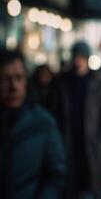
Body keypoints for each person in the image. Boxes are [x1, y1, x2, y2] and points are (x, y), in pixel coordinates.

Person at [48, 41, 101, 198]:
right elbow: (52, 112)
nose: (77, 60)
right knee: (69, 189)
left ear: (87, 58)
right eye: (75, 56)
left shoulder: (100, 83)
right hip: (67, 144)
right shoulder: (61, 82)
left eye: (81, 57)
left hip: (93, 147)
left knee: (93, 188)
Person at [0, 49, 66, 198]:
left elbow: (56, 173)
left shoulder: (43, 122)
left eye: (19, 78)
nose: (13, 87)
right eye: (5, 79)